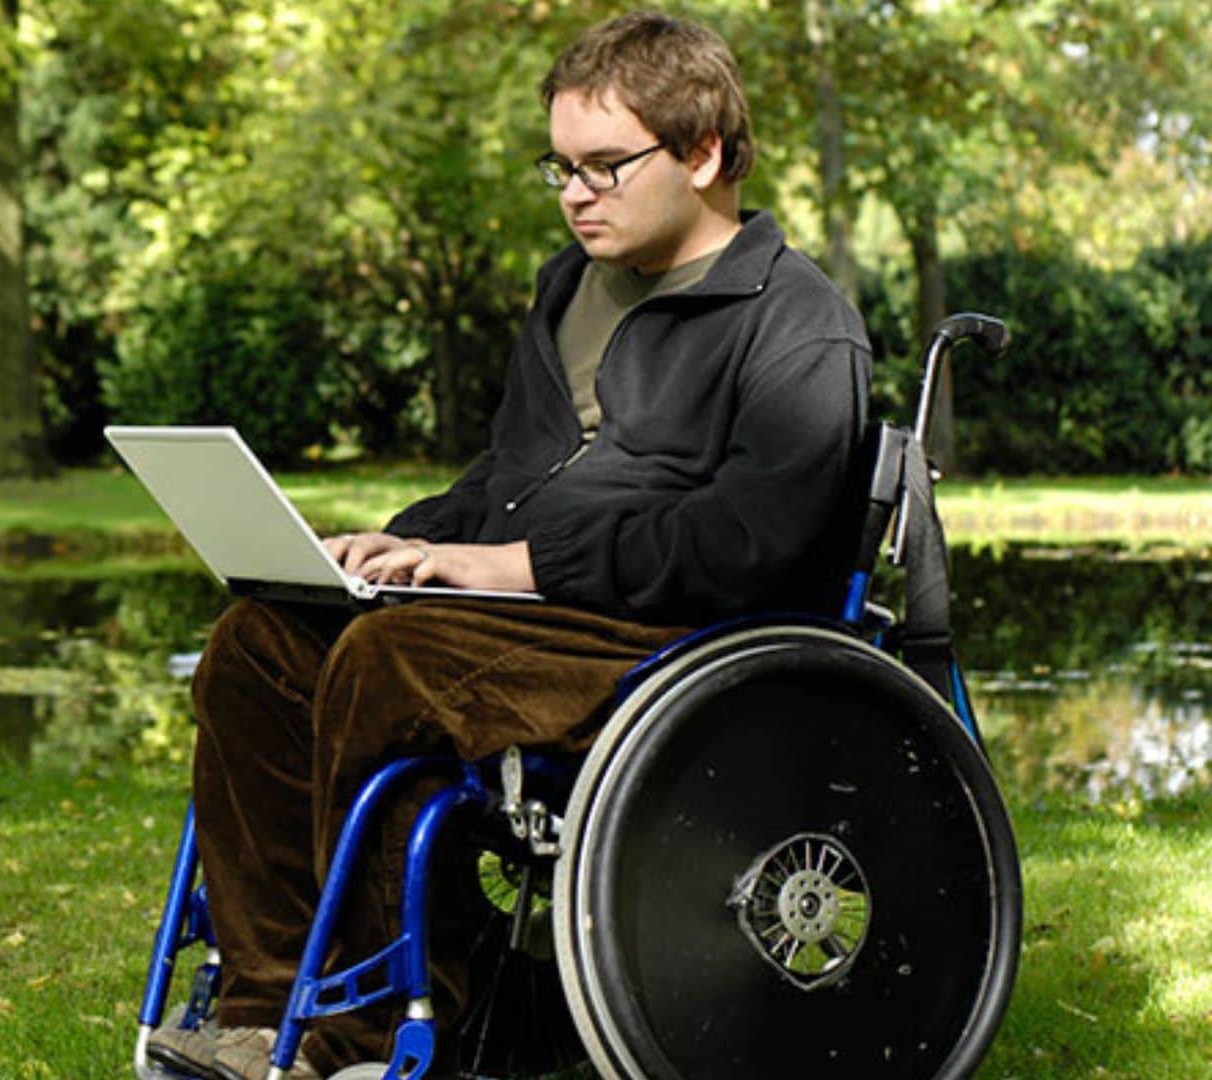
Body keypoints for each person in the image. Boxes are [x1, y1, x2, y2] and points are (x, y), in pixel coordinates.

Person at [149, 11, 871, 1078]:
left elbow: (749, 542)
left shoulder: (797, 326)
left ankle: (370, 1025)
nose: (576, 192)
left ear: (705, 153)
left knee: (389, 664)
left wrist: (517, 569)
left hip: (671, 640)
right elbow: (510, 480)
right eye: (561, 166)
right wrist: (391, 548)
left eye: (605, 166)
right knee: (261, 640)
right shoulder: (568, 289)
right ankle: (264, 1011)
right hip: (516, 616)